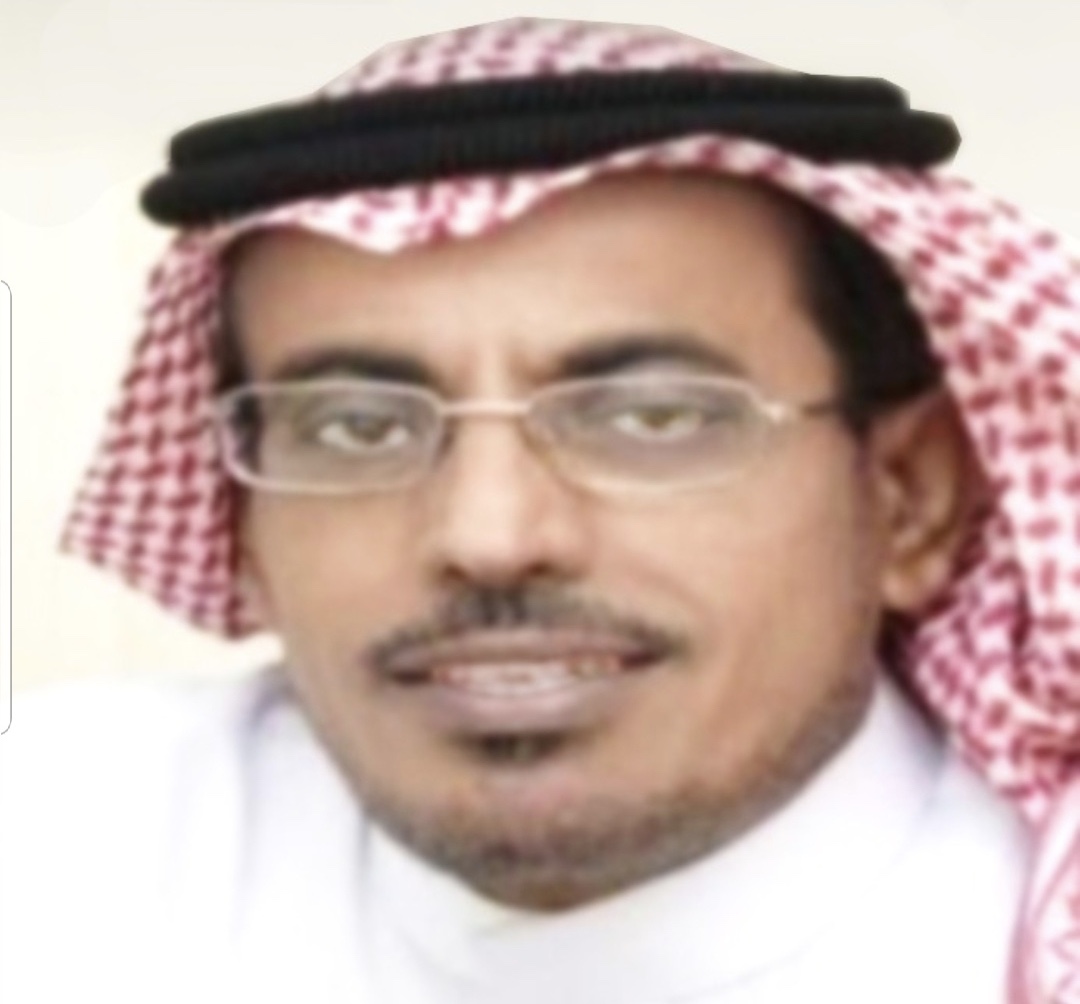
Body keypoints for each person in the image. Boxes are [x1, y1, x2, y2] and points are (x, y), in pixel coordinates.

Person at [3, 15, 1080, 1004]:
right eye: (357, 428)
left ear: (910, 497)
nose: (489, 536)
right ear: (244, 524)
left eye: (652, 417)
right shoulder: (64, 848)